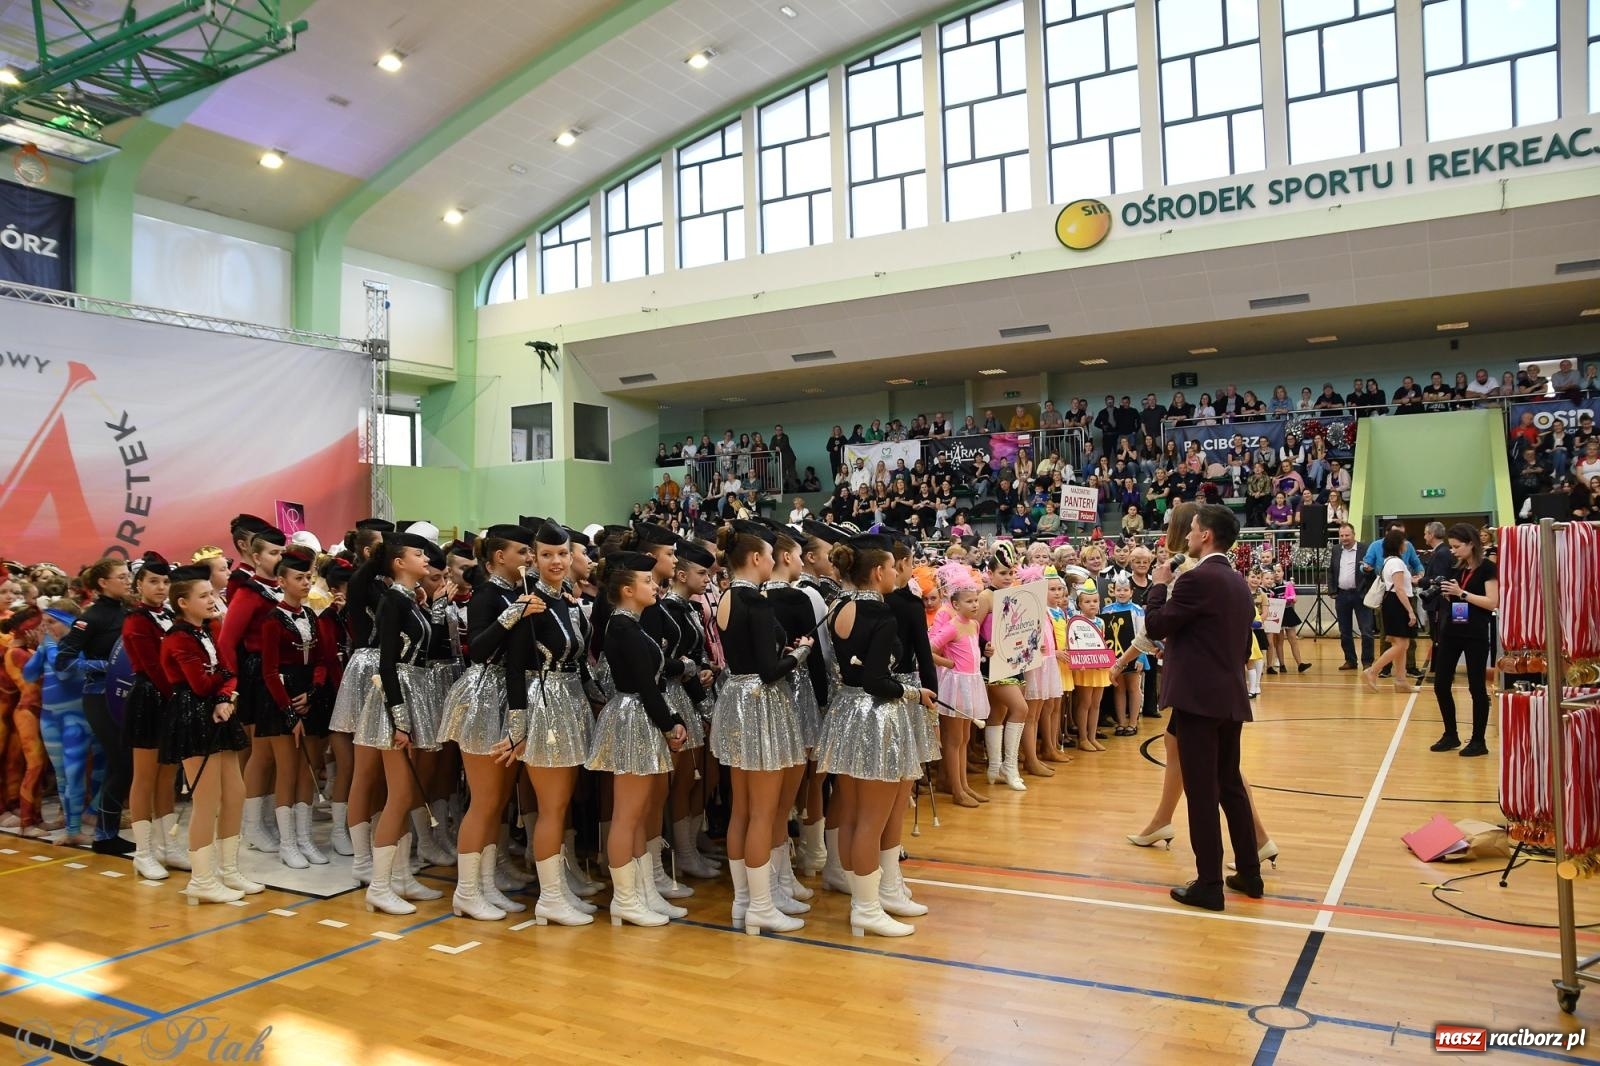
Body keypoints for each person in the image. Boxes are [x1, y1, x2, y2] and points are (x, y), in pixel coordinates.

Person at [1145, 504, 1261, 912]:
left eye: (1193, 529)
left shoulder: (1196, 579)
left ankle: (1209, 884)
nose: (1188, 536)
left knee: (1201, 792)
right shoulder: (1238, 582)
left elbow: (1156, 625)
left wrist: (1158, 586)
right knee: (1230, 786)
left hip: (1197, 701)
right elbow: (1241, 646)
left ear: (1206, 535)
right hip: (1229, 697)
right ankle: (1249, 872)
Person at [55, 557, 134, 855]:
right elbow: (64, 660)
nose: (128, 581)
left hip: (127, 695)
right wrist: (106, 666)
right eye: (121, 577)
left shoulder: (129, 612)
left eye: (128, 576)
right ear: (103, 582)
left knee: (123, 764)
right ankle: (104, 835)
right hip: (100, 696)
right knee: (121, 762)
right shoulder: (91, 617)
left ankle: (106, 833)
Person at [1429, 524, 1499, 757]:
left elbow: (1492, 602)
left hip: (1475, 634)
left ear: (1471, 544)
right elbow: (1459, 599)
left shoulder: (1488, 568)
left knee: (1476, 687)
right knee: (1441, 684)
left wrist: (1461, 593)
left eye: (1457, 546)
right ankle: (1451, 734)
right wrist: (1449, 595)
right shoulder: (1458, 568)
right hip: (1453, 630)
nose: (1453, 551)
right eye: (1451, 547)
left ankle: (1479, 740)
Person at [1363, 530, 1420, 694]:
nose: (1406, 544)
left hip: (1392, 603)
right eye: (1404, 541)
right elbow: (1400, 589)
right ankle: (1372, 671)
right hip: (1397, 604)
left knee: (1400, 644)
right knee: (1401, 644)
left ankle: (1401, 680)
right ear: (1398, 544)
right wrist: (1410, 611)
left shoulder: (1389, 561)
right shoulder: (1397, 563)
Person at [1329, 523, 1373, 670]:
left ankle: (1367, 662)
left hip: (1361, 594)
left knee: (1366, 630)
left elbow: (1372, 571)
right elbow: (1331, 571)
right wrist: (1332, 590)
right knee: (1344, 631)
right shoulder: (1336, 550)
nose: (1344, 538)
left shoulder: (1365, 549)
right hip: (1342, 595)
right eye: (1341, 535)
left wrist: (1368, 572)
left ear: (1354, 535)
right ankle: (1350, 660)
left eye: (1347, 535)